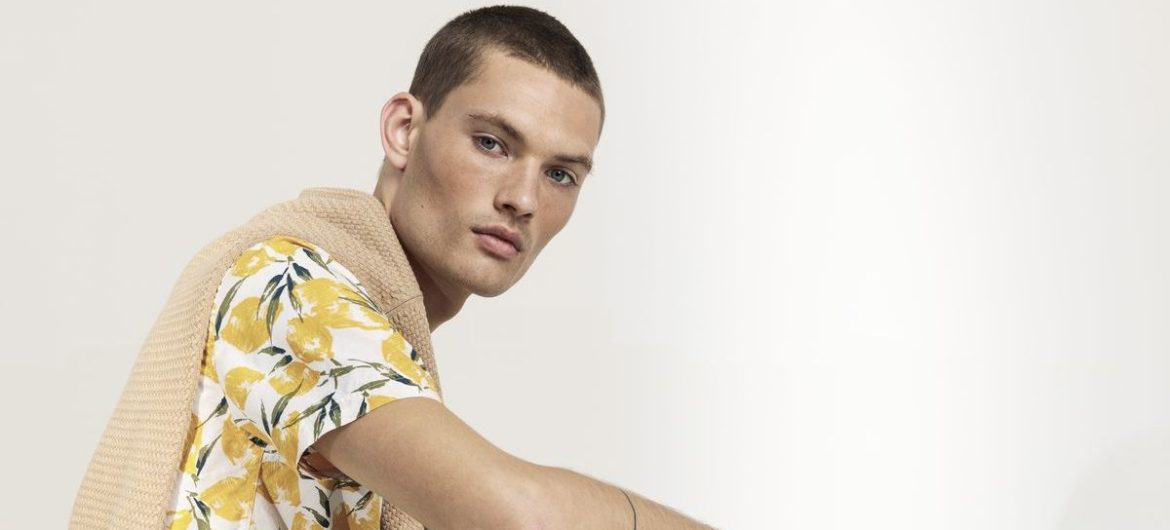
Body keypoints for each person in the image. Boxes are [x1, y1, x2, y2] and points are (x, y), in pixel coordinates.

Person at [71, 5, 716, 530]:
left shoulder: (379, 335)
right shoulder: (291, 286)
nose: (523, 199)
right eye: (492, 143)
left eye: (561, 174)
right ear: (404, 130)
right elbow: (518, 518)